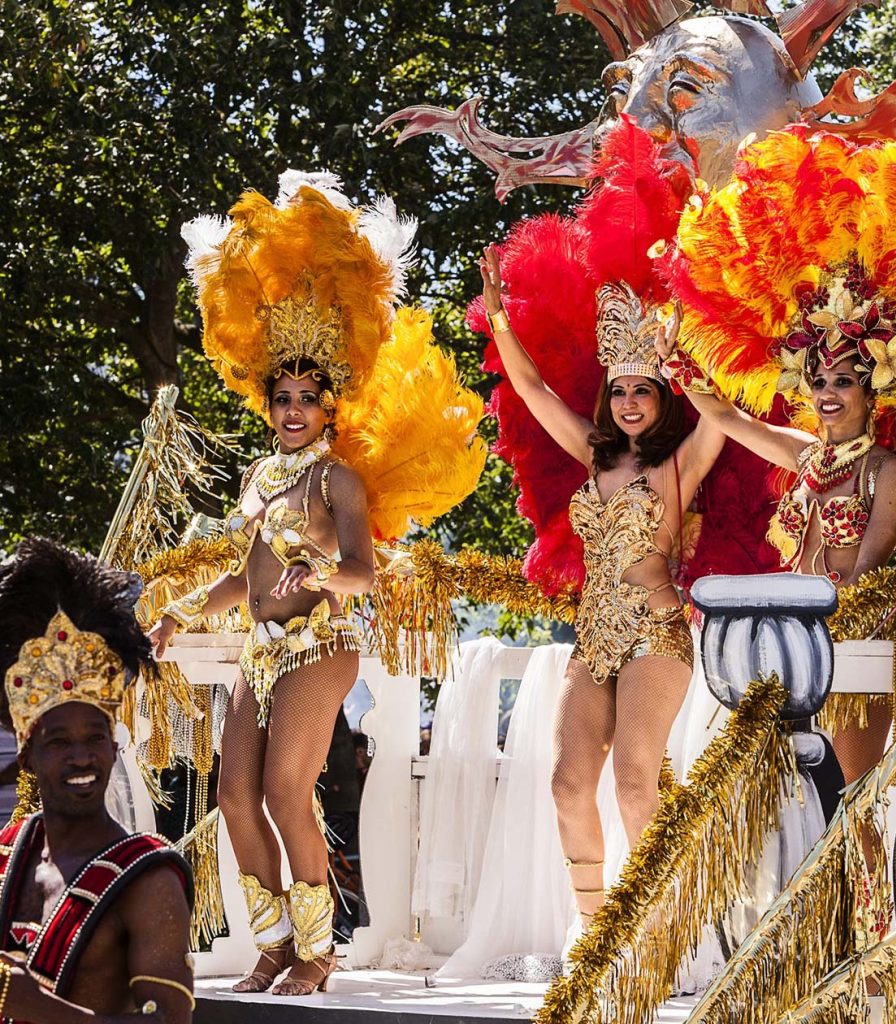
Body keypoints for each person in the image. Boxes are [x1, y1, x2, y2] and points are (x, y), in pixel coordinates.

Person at [148, 172, 486, 996]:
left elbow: (363, 574)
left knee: (284, 792)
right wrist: (180, 612)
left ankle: (317, 950)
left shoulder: (337, 480)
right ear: (266, 404)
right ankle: (270, 944)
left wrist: (321, 572)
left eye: (307, 398)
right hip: (260, 651)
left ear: (330, 406)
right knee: (232, 797)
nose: (294, 409)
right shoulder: (259, 477)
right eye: (283, 397)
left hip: (321, 646)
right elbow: (245, 576)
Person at [659, 127, 896, 811]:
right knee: (788, 804)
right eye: (818, 380)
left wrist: (823, 619)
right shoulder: (806, 454)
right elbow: (730, 420)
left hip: (857, 639)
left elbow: (868, 567)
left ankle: (867, 917)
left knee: (856, 797)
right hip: (790, 638)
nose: (828, 392)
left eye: (843, 378)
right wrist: (680, 370)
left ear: (872, 388)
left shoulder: (884, 470)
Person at [479, 246, 725, 926]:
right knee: (565, 785)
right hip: (593, 636)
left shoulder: (682, 465)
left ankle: (654, 933)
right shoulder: (592, 453)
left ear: (662, 396)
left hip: (656, 631)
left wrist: (687, 353)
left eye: (642, 389)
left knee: (633, 780)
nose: (627, 402)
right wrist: (500, 318)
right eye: (618, 390)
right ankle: (596, 935)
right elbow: (531, 391)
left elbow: (722, 417)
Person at [0, 537, 194, 1024]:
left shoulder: (148, 879)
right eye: (59, 742)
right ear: (27, 757)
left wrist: (39, 1007)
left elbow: (167, 1020)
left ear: (114, 746)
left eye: (95, 737)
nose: (82, 756)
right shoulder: (8, 852)